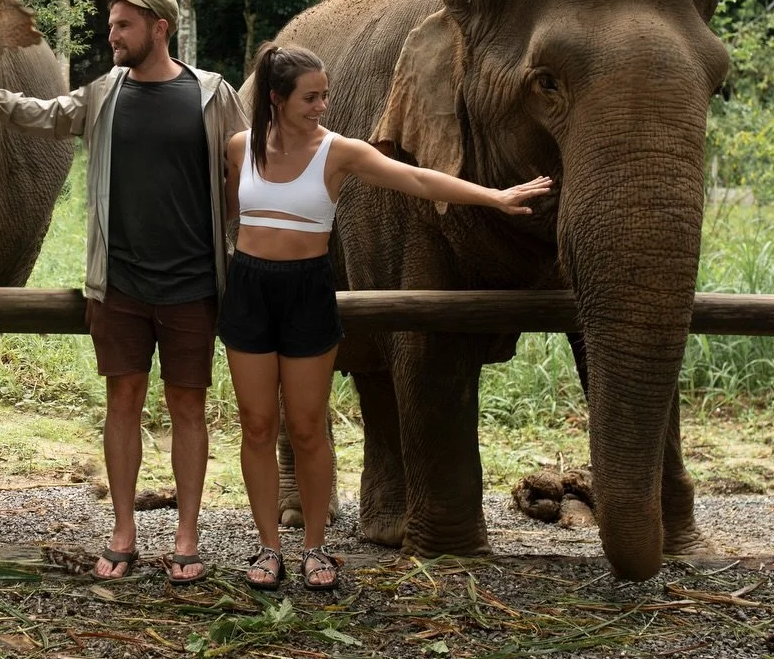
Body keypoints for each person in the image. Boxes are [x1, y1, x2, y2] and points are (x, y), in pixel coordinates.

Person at [221, 43, 552, 591]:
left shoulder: (339, 152)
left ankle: (315, 550)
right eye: (311, 97)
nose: (323, 105)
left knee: (307, 427)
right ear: (276, 99)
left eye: (325, 95)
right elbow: (229, 211)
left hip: (308, 292)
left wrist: (494, 197)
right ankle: (266, 548)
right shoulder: (239, 148)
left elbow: (419, 180)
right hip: (249, 290)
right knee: (258, 426)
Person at [0, 0, 246, 583]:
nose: (112, 35)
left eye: (123, 26)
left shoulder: (211, 95)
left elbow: (246, 170)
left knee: (188, 408)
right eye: (112, 24)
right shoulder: (104, 93)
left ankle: (187, 536)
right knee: (123, 402)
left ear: (159, 28)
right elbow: (42, 116)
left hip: (195, 284)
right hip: (118, 284)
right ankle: (123, 530)